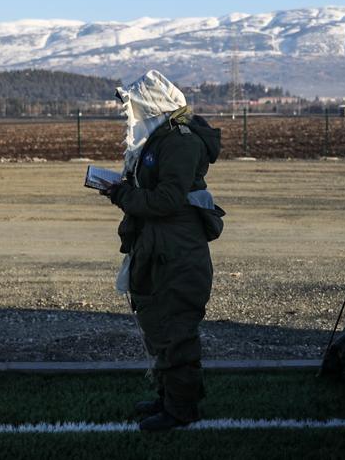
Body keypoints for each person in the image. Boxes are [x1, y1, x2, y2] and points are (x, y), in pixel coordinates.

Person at [102, 70, 223, 432]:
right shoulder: (161, 138)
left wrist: (122, 195)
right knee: (158, 324)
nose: (130, 113)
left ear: (154, 105)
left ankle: (181, 410)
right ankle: (170, 398)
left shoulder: (180, 141)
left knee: (176, 329)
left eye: (135, 105)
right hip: (159, 244)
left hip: (176, 250)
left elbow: (168, 200)